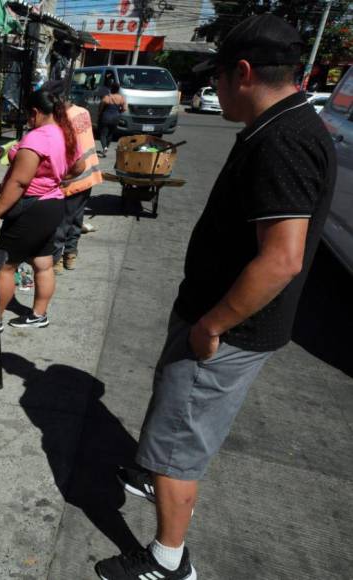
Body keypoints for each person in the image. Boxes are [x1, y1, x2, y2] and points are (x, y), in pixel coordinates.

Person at [95, 15, 336, 580]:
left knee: (181, 445)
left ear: (245, 73)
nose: (215, 88)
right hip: (215, 316)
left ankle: (167, 560)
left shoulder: (285, 140)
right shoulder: (281, 126)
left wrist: (211, 326)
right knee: (173, 421)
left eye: (220, 77)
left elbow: (282, 258)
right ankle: (151, 473)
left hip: (227, 330)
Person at [0, 88, 85, 332]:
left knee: (5, 265)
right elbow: (80, 166)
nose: (28, 121)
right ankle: (38, 315)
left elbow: (18, 182)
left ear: (35, 112)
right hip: (53, 204)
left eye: (28, 117)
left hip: (31, 207)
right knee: (43, 262)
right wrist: (56, 178)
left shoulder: (38, 138)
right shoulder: (64, 133)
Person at [53, 100, 103, 273]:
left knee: (62, 221)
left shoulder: (61, 119)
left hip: (73, 178)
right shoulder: (83, 112)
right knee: (76, 217)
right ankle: (71, 255)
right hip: (88, 175)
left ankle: (57, 259)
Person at [97, 82, 126, 156]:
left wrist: (99, 114)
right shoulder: (121, 98)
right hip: (116, 117)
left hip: (106, 116)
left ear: (111, 88)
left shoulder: (107, 97)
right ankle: (106, 146)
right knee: (110, 134)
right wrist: (119, 112)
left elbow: (101, 106)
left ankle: (104, 147)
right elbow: (124, 108)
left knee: (103, 134)